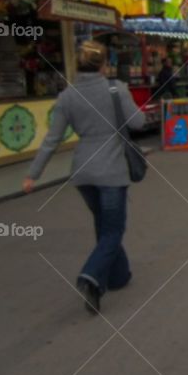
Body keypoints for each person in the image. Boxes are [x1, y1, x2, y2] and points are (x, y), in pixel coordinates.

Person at [23, 40, 144, 314]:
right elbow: (137, 122)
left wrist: (33, 174)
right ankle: (91, 277)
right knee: (113, 229)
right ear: (104, 64)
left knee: (103, 224)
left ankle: (119, 276)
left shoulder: (67, 96)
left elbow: (52, 139)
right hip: (112, 171)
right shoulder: (116, 89)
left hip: (83, 172)